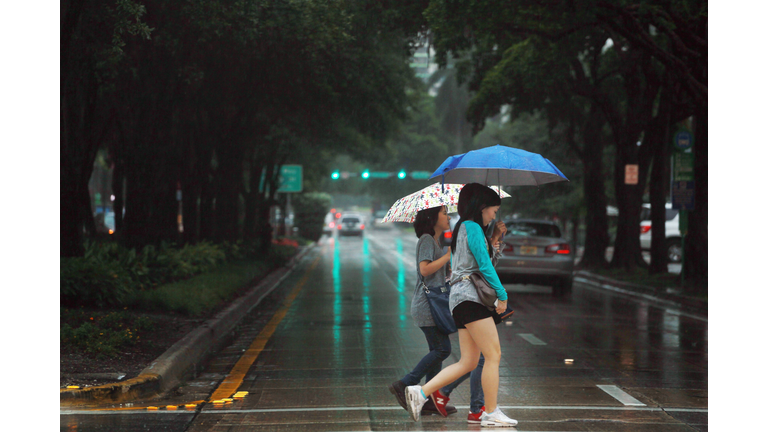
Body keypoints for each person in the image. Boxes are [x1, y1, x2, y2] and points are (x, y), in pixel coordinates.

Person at [404, 184, 518, 427]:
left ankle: (421, 392)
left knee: (468, 361)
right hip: (470, 300)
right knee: (493, 355)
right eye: (493, 210)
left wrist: (495, 240)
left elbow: (479, 264)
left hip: (460, 300)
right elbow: (485, 268)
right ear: (482, 207)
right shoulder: (472, 227)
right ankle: (490, 411)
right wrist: (502, 294)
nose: (494, 216)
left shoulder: (463, 229)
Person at [388, 205, 457, 416]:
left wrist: (448, 269)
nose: (448, 217)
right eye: (444, 213)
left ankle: (427, 400)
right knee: (442, 350)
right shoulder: (427, 239)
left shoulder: (434, 240)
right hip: (427, 306)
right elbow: (424, 269)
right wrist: (446, 258)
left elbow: (434, 273)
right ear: (432, 216)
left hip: (431, 304)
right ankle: (406, 383)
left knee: (437, 352)